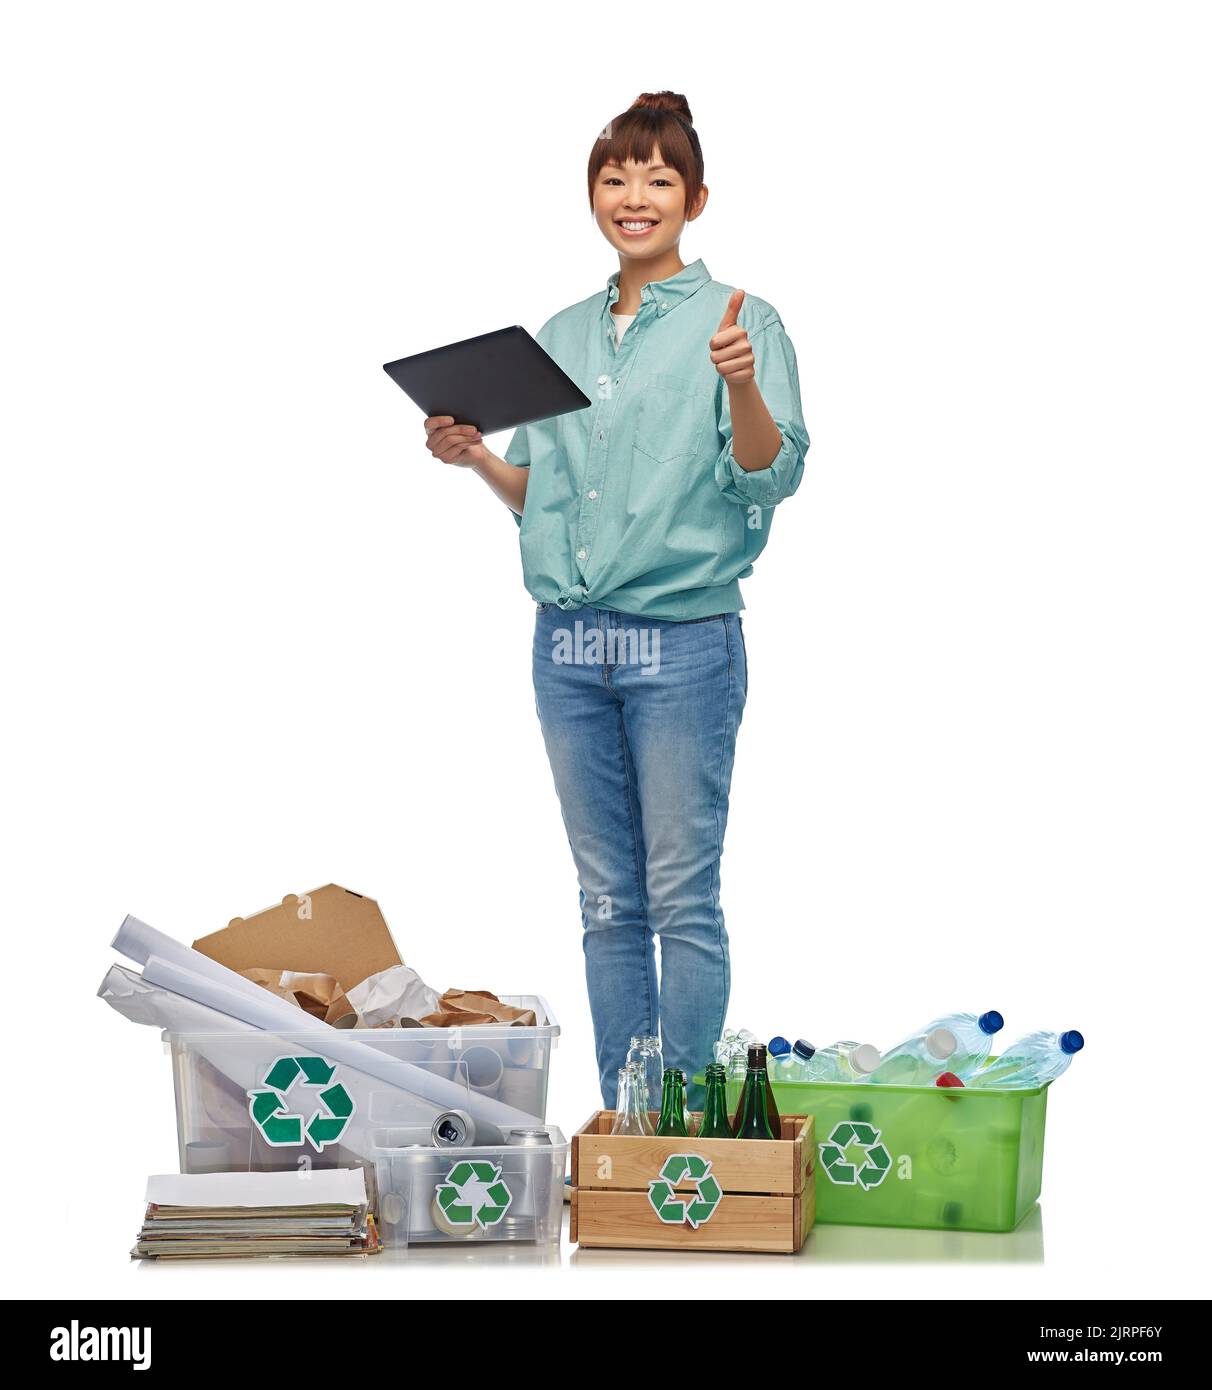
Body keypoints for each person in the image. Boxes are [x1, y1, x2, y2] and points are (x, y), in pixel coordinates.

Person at [422, 91, 810, 1109]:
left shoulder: (743, 322)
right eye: (615, 178)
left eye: (658, 179)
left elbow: (769, 477)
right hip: (567, 649)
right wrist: (474, 460)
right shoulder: (558, 335)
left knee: (680, 898)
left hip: (681, 646)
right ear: (593, 195)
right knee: (605, 903)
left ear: (695, 198)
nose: (634, 197)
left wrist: (741, 387)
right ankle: (623, 1123)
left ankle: (683, 1123)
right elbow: (541, 500)